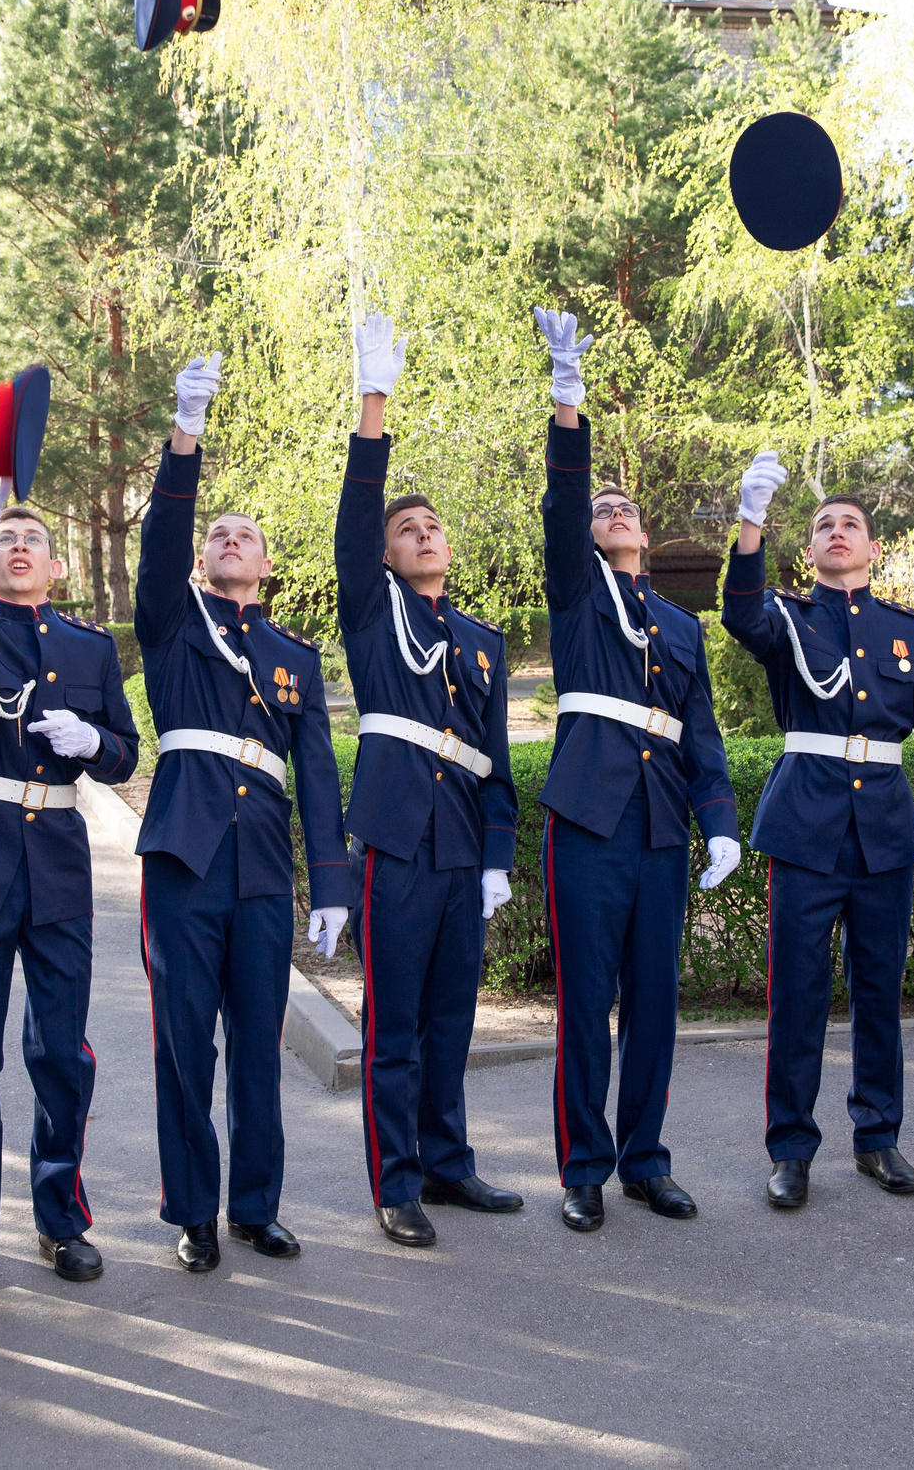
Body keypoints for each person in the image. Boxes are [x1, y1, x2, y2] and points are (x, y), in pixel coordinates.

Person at [718, 460, 914, 1208]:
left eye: (850, 524)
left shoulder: (907, 632)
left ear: (871, 549)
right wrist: (749, 524)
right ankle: (792, 1147)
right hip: (806, 828)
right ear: (809, 553)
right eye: (823, 527)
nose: (837, 533)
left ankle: (878, 1137)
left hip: (883, 834)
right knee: (798, 994)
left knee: (879, 991)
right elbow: (740, 614)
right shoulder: (787, 617)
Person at [132, 353, 350, 1272]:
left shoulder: (293, 653)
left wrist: (329, 881)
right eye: (216, 531)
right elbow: (162, 539)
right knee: (187, 1044)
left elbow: (317, 770)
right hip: (183, 856)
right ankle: (192, 1210)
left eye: (244, 534)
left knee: (256, 1044)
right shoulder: (174, 621)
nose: (228, 538)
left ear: (266, 564)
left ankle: (256, 1205)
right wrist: (186, 438)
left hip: (261, 866)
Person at [317, 312, 524, 1249]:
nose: (424, 533)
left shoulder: (481, 640)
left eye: (433, 525)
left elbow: (494, 760)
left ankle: (447, 1161)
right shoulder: (372, 612)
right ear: (392, 555)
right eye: (410, 528)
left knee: (451, 1019)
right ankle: (395, 1181)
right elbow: (355, 533)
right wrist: (374, 407)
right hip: (397, 844)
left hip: (457, 852)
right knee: (394, 1023)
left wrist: (498, 853)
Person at [0, 457, 141, 1288]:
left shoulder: (87, 645)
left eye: (29, 539)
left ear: (56, 564)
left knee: (61, 1052)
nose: (17, 546)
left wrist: (96, 743)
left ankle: (60, 1216)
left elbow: (125, 753)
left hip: (57, 861)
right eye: (4, 537)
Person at [533, 309, 742, 1233]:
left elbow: (701, 731)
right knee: (586, 1002)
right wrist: (567, 404)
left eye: (628, 510)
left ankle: (645, 1158)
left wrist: (723, 818)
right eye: (602, 510)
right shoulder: (579, 595)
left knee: (655, 1001)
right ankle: (582, 1165)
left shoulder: (683, 626)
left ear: (647, 537)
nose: (612, 514)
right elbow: (565, 501)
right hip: (587, 818)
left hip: (660, 825)